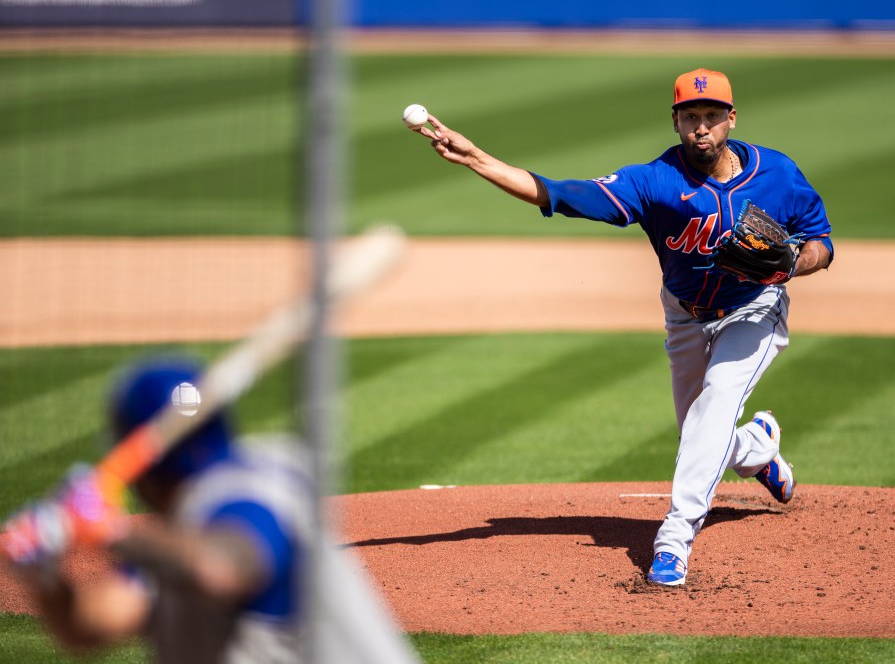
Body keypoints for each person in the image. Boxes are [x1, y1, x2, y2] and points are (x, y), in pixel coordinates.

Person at [414, 68, 833, 587]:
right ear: (676, 122)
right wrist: (477, 158)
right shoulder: (654, 181)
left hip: (754, 308)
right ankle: (758, 448)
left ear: (731, 118)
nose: (701, 127)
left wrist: (795, 262)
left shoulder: (778, 174)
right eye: (690, 117)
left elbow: (821, 241)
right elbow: (560, 195)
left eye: (711, 116)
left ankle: (674, 540)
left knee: (720, 398)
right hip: (685, 316)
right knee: (699, 432)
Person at [2, 356, 418, 663]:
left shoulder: (258, 485)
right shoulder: (174, 537)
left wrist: (109, 528)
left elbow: (223, 567)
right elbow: (90, 625)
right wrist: (45, 575)